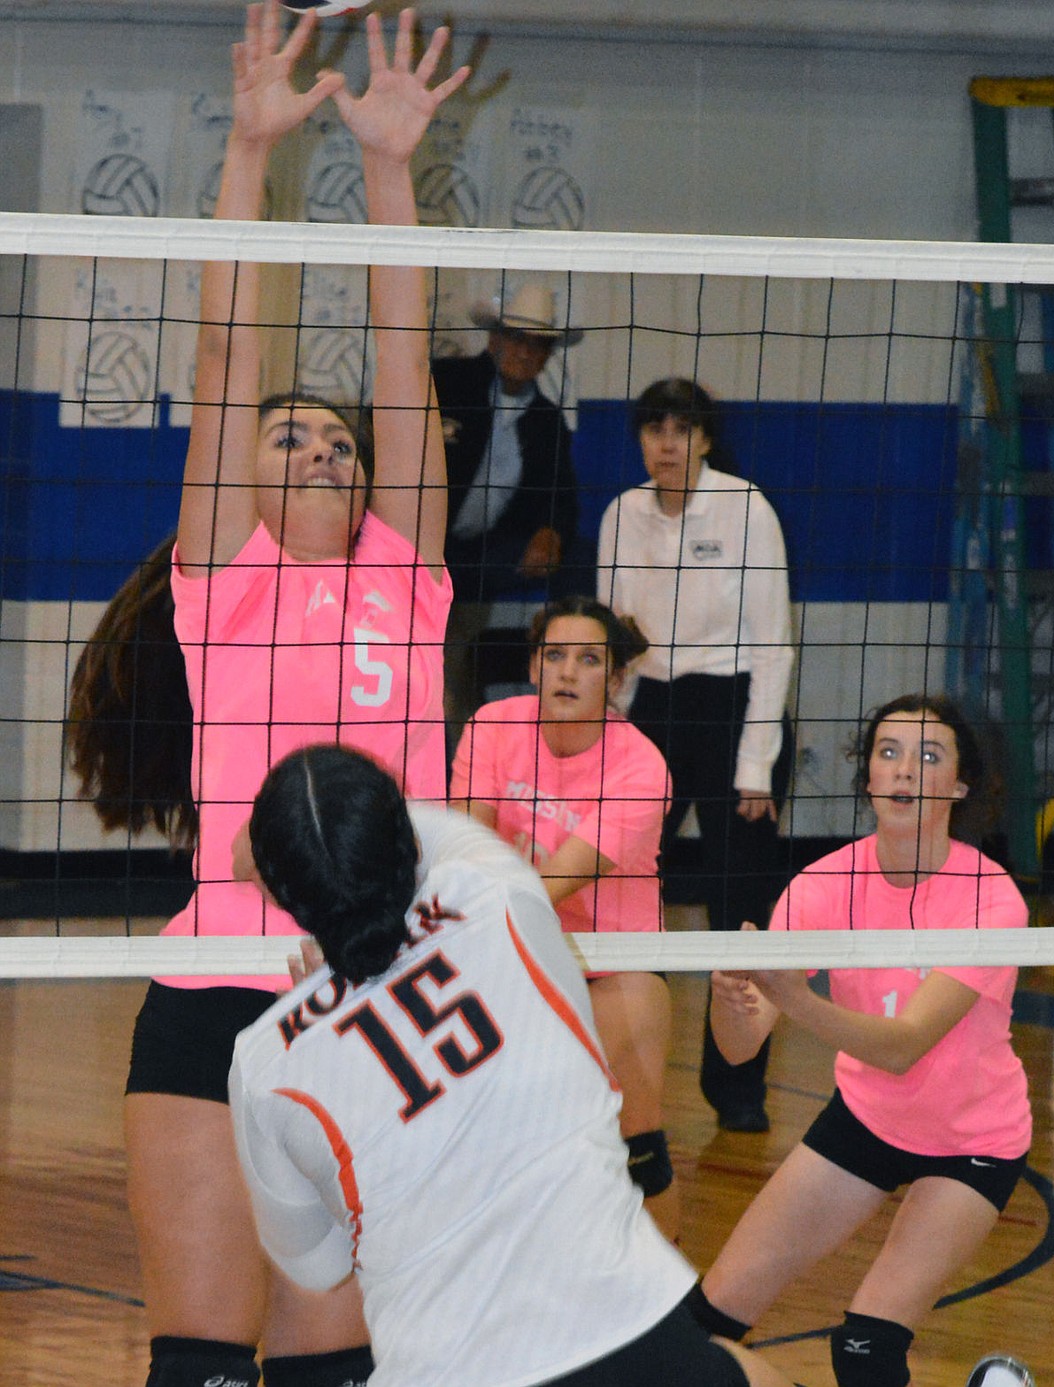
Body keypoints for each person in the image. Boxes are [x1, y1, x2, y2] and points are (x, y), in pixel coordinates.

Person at [66, 8, 468, 1386]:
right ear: (249, 473)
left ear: (368, 478)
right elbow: (225, 357)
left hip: (378, 984)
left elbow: (401, 354)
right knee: (196, 1361)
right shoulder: (217, 583)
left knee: (331, 1366)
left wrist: (391, 169)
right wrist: (248, 149)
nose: (312, 444)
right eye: (286, 435)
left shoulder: (409, 581)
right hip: (218, 978)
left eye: (337, 439)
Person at [229, 742, 795, 1387]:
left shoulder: (265, 1060)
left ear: (282, 892)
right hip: (624, 1332)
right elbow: (436, 831)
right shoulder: (495, 895)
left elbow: (315, 1266)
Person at [686, 694, 1033, 1387]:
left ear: (959, 786)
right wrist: (730, 998)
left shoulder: (991, 898)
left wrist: (790, 994)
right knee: (705, 1328)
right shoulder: (821, 884)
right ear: (869, 774)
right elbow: (740, 1047)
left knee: (865, 1349)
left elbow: (905, 1044)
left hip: (972, 1141)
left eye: (929, 755)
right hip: (867, 1119)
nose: (905, 769)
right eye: (889, 751)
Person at [448, 594, 680, 1240]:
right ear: (533, 666)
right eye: (555, 656)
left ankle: (671, 1307)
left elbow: (548, 883)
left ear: (615, 678)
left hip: (612, 960)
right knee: (501, 1137)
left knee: (637, 1146)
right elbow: (470, 853)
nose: (568, 672)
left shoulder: (641, 766)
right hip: (513, 948)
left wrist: (499, 875)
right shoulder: (494, 725)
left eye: (588, 659)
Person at [597, 376, 795, 1133]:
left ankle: (740, 1088)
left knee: (738, 907)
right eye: (654, 429)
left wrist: (754, 763)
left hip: (734, 705)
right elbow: (613, 643)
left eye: (682, 430)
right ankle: (610, 1072)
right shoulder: (622, 514)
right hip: (649, 710)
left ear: (705, 439)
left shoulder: (748, 508)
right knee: (615, 889)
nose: (667, 443)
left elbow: (774, 642)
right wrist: (604, 744)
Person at [435, 282, 582, 738]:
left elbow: (562, 496)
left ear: (548, 354)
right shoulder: (443, 382)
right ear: (494, 338)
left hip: (473, 567)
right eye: (516, 338)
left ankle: (444, 776)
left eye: (537, 344)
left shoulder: (547, 422)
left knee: (448, 670)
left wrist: (551, 531)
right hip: (407, 556)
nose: (524, 351)